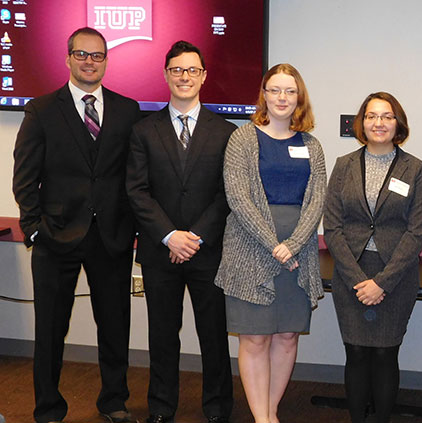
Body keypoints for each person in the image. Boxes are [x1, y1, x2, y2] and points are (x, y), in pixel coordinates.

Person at [12, 27, 140, 423]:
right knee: (50, 330)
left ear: (106, 60)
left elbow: (135, 176)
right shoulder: (41, 109)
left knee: (115, 326)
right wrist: (34, 228)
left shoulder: (127, 109)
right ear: (68, 58)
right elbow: (24, 177)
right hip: (55, 238)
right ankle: (48, 408)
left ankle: (113, 401)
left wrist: (132, 227)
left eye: (97, 55)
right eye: (81, 54)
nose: (89, 61)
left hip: (111, 238)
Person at [126, 41, 235, 423]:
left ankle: (218, 409)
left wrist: (195, 237)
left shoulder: (225, 132)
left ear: (204, 76)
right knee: (162, 336)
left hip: (208, 251)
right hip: (160, 252)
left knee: (214, 336)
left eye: (192, 70)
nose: (184, 77)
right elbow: (136, 191)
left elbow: (228, 195)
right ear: (166, 75)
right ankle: (160, 407)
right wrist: (171, 236)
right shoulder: (143, 131)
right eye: (177, 70)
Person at [214, 63, 326, 423]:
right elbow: (238, 196)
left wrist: (292, 244)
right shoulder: (242, 139)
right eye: (274, 90)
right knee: (255, 338)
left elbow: (317, 199)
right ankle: (260, 418)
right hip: (249, 249)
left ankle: (271, 412)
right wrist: (272, 242)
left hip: (299, 252)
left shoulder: (311, 144)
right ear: (263, 94)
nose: (282, 97)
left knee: (288, 335)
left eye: (289, 91)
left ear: (299, 98)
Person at [323, 92, 422, 423]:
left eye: (386, 116)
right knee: (354, 352)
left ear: (398, 123)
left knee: (385, 353)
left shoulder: (414, 169)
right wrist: (359, 280)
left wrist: (382, 282)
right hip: (351, 273)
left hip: (394, 275)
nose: (378, 122)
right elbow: (333, 227)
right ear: (362, 122)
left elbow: (416, 231)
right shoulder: (344, 166)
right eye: (371, 116)